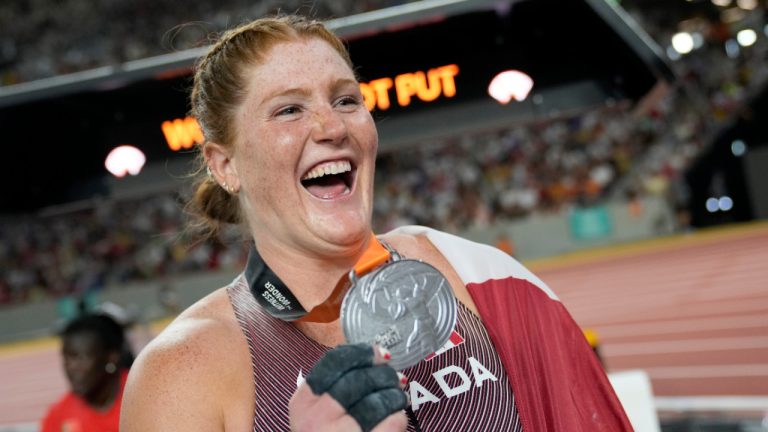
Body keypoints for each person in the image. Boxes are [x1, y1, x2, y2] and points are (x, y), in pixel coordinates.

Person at [121, 14, 632, 432]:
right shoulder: (182, 372)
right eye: (288, 110)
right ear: (224, 164)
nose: (331, 126)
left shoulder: (471, 274)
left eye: (346, 100)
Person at [41, 313, 130, 432]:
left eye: (81, 358)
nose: (71, 366)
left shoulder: (145, 394)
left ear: (111, 357)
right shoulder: (58, 417)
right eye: (66, 357)